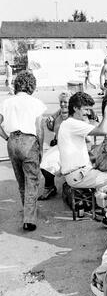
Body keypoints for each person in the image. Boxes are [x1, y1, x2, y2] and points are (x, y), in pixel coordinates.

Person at [57, 91, 107, 228]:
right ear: (76, 108)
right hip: (79, 175)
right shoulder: (72, 124)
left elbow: (88, 142)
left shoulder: (69, 124)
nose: (88, 113)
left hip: (79, 173)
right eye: (85, 109)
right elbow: (102, 130)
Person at [0, 71, 47, 231]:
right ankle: (29, 219)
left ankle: (28, 211)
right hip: (29, 141)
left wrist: (7, 138)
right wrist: (40, 148)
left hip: (12, 140)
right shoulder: (36, 103)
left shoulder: (7, 102)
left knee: (21, 181)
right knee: (32, 180)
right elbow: (39, 129)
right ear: (31, 85)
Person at [38, 91, 71, 200]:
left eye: (65, 102)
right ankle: (50, 187)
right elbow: (53, 128)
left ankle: (50, 187)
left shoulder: (73, 115)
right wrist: (50, 124)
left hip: (69, 148)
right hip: (59, 145)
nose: (62, 104)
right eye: (61, 102)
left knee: (47, 163)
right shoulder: (59, 113)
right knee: (43, 162)